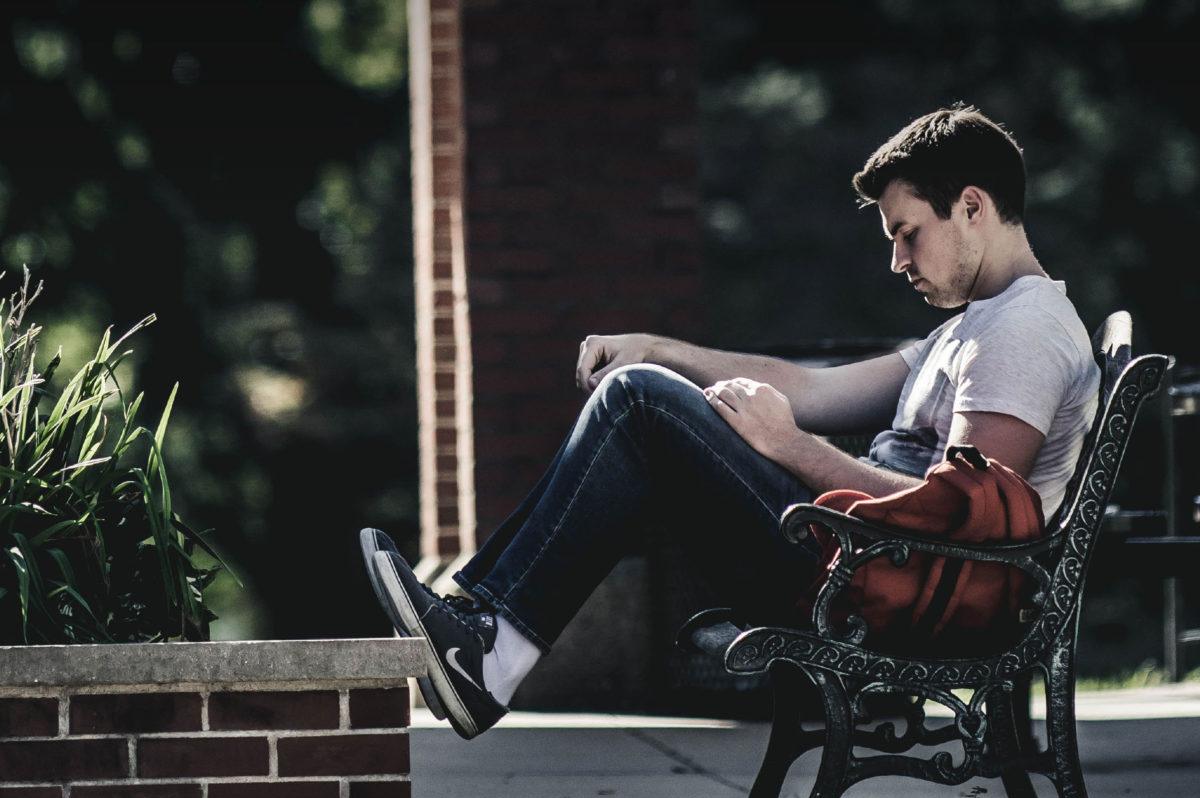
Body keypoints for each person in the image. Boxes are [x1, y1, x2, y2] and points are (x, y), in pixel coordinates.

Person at [361, 104, 1100, 740]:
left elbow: (963, 529)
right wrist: (661, 348)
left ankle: (490, 652)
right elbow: (813, 389)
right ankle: (482, 632)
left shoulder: (1024, 330)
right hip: (860, 556)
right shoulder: (975, 325)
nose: (897, 260)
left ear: (972, 207)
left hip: (875, 579)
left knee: (640, 402)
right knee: (646, 390)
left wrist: (787, 446)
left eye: (907, 233)